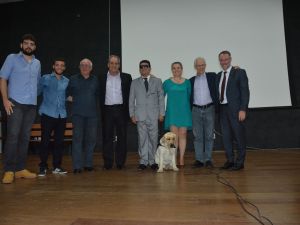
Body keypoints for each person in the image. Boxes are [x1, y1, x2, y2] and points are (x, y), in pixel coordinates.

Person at [0, 34, 41, 184]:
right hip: (15, 103)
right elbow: (3, 79)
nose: (29, 46)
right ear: (21, 45)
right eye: (26, 43)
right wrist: (5, 100)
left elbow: (37, 84)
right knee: (13, 136)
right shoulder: (12, 58)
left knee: (25, 138)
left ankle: (20, 169)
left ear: (35, 47)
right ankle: (9, 170)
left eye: (32, 44)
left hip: (31, 106)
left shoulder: (37, 63)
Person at [129, 60, 165, 170]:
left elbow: (161, 98)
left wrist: (161, 113)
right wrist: (132, 114)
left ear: (150, 68)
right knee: (142, 138)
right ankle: (143, 161)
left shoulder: (157, 81)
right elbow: (131, 100)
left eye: (146, 67)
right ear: (139, 69)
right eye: (141, 67)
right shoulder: (134, 82)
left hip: (154, 115)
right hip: (140, 115)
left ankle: (153, 161)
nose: (143, 69)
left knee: (154, 138)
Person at [217, 50, 250, 170]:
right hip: (223, 110)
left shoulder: (239, 72)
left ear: (230, 59)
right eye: (221, 60)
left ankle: (240, 163)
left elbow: (245, 92)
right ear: (219, 61)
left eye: (226, 59)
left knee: (239, 136)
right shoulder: (218, 76)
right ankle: (230, 160)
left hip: (236, 110)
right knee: (226, 137)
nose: (224, 62)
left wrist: (243, 109)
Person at [99, 55, 132, 170]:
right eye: (111, 63)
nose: (114, 65)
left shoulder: (127, 77)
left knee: (122, 137)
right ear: (108, 64)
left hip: (121, 110)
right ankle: (108, 163)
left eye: (116, 63)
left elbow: (131, 96)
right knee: (107, 137)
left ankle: (120, 162)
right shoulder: (101, 77)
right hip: (107, 110)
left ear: (119, 65)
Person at [37, 58, 69, 176]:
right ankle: (43, 166)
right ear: (53, 66)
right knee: (45, 142)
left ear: (64, 68)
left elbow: (65, 96)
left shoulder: (67, 81)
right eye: (57, 65)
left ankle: (57, 166)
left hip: (62, 115)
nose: (59, 67)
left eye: (62, 65)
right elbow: (37, 91)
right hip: (48, 114)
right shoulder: (45, 78)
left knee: (59, 143)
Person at [67, 58, 99, 173]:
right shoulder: (73, 79)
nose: (85, 67)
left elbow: (98, 95)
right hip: (77, 115)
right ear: (79, 67)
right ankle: (77, 166)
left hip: (92, 115)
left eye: (87, 65)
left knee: (91, 140)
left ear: (91, 68)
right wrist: (72, 99)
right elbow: (67, 94)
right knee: (77, 140)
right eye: (82, 65)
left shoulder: (95, 80)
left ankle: (88, 164)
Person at [190, 57, 218, 168]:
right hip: (195, 110)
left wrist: (235, 69)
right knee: (197, 136)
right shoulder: (191, 80)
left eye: (202, 65)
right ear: (195, 67)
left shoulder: (213, 76)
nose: (200, 67)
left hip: (209, 109)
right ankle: (199, 160)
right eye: (198, 65)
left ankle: (208, 159)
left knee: (209, 135)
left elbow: (225, 75)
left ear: (205, 65)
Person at [163, 62, 192, 168]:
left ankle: (181, 158)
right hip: (172, 112)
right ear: (172, 70)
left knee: (183, 135)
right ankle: (173, 159)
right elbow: (161, 95)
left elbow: (189, 96)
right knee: (173, 137)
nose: (176, 70)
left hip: (184, 112)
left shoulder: (187, 82)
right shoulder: (167, 82)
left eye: (178, 68)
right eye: (174, 68)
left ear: (182, 69)